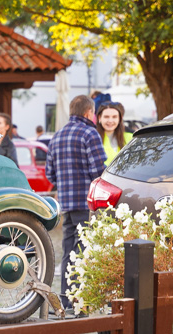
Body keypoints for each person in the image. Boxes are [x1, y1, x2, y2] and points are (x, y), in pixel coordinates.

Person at [45, 94, 106, 310]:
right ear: (89, 113)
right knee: (83, 252)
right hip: (86, 204)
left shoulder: (57, 136)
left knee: (68, 251)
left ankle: (66, 299)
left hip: (67, 204)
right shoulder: (90, 133)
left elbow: (50, 175)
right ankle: (80, 299)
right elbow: (99, 171)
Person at [95, 101, 132, 166]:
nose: (110, 121)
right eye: (106, 117)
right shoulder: (93, 138)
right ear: (99, 118)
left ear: (120, 119)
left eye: (114, 117)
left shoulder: (130, 137)